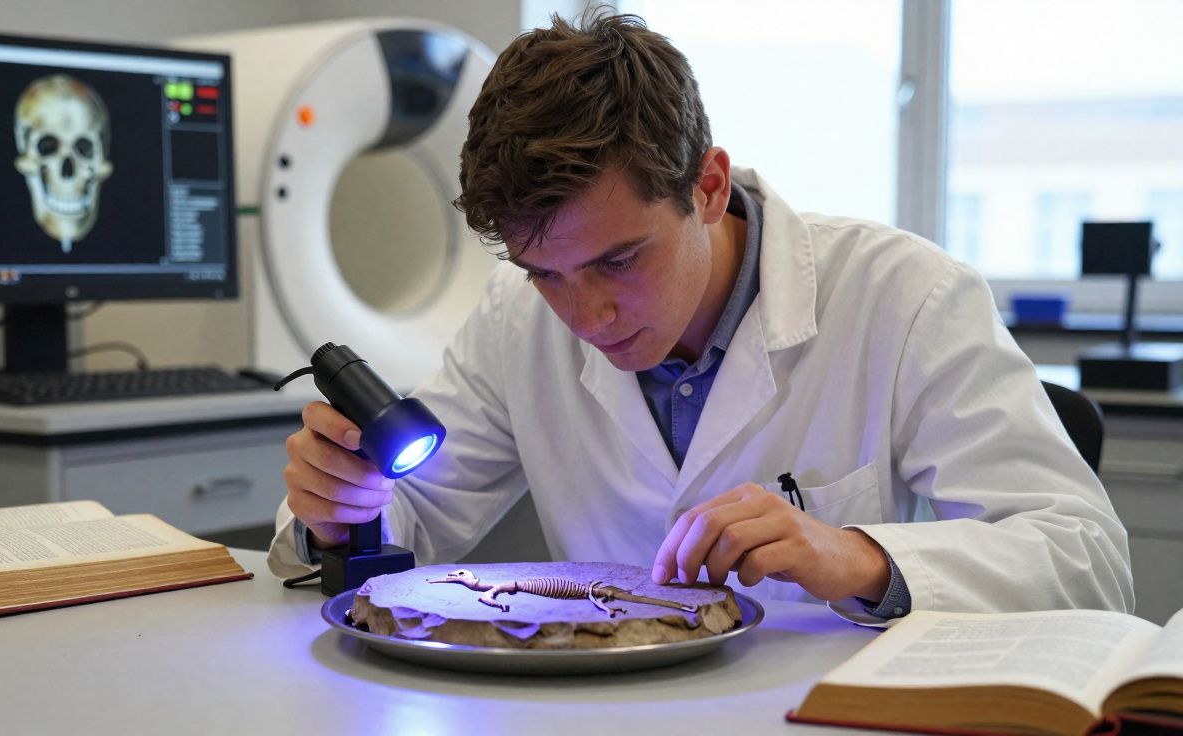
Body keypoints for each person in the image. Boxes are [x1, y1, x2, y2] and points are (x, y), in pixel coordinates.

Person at [269, 12, 1132, 624]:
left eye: (618, 260)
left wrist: (857, 557)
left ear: (708, 187)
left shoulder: (905, 296)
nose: (588, 314)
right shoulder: (514, 322)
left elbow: (1086, 557)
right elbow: (411, 520)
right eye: (547, 274)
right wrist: (340, 509)